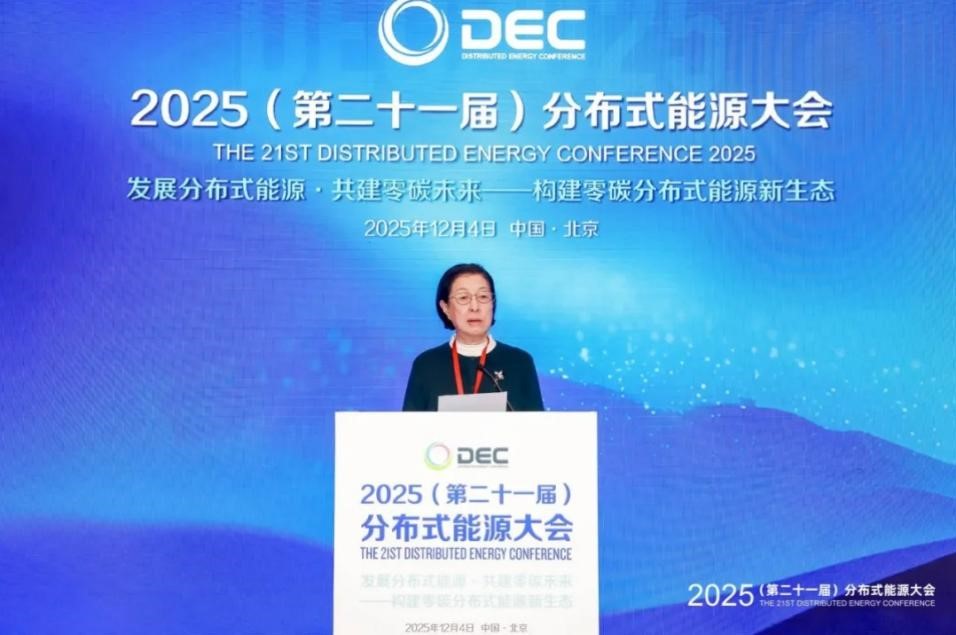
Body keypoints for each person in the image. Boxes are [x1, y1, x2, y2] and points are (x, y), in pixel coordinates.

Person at [402, 263, 544, 411]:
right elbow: (410, 424)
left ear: (493, 304)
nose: (475, 307)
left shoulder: (519, 362)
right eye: (463, 298)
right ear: (446, 308)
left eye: (483, 297)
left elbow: (536, 424)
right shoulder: (426, 364)